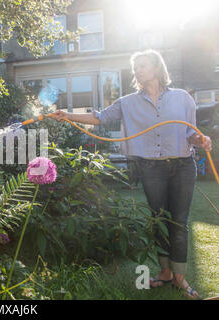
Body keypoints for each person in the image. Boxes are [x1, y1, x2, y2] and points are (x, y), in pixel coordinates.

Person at [48, 49, 212, 299]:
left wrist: (201, 139)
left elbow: (190, 133)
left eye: (142, 66)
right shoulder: (127, 102)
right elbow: (100, 118)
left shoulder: (183, 99)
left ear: (157, 68)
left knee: (178, 223)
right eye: (135, 67)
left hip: (182, 166)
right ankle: (165, 272)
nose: (137, 71)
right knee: (159, 220)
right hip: (151, 168)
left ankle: (180, 278)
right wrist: (67, 114)